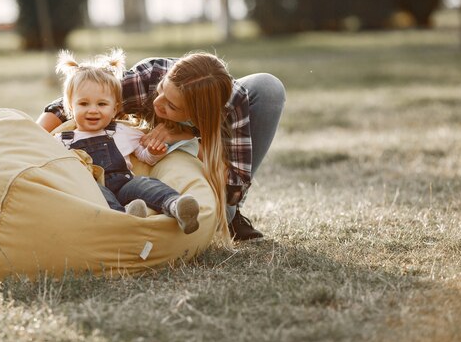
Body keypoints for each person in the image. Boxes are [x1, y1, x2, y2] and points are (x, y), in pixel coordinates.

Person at [38, 50, 286, 243]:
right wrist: (29, 138)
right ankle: (123, 219)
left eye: (172, 106)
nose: (157, 102)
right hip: (116, 180)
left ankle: (206, 212)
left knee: (268, 86)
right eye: (162, 91)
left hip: (201, 148)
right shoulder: (150, 76)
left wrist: (186, 136)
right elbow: (69, 103)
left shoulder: (232, 103)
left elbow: (234, 187)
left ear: (198, 115)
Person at [53, 49, 200, 234]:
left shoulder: (122, 131)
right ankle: (126, 219)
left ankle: (176, 205)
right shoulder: (62, 141)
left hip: (125, 184)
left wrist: (154, 153)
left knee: (146, 183)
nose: (93, 110)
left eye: (101, 104)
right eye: (83, 104)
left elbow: (143, 156)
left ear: (115, 109)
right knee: (100, 195)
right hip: (93, 190)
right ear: (70, 107)